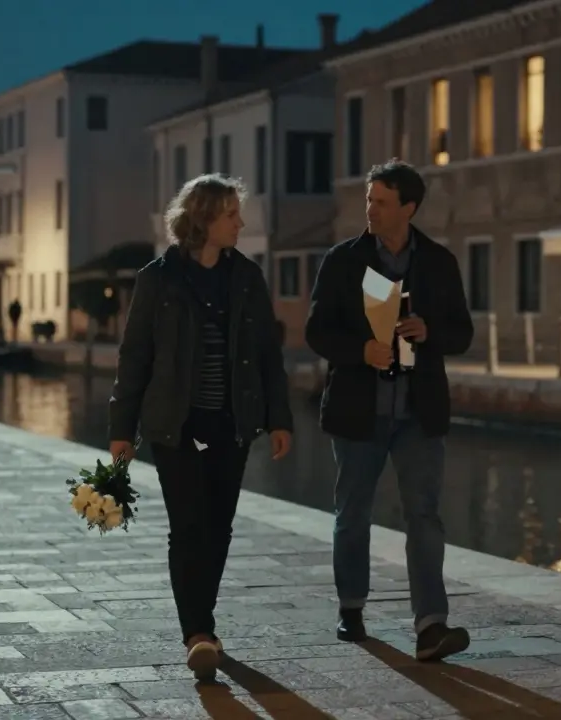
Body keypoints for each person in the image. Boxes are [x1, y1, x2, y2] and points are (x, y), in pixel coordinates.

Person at [108, 174, 293, 681]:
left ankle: (203, 627)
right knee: (188, 527)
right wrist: (122, 429)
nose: (241, 222)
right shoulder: (158, 279)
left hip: (232, 422)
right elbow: (135, 357)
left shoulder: (247, 278)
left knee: (219, 528)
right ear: (204, 218)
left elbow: (266, 355)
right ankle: (198, 631)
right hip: (176, 424)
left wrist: (279, 418)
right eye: (231, 214)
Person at [305, 160, 474, 662]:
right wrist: (360, 350)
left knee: (424, 516)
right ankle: (351, 608)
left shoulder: (440, 262)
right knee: (352, 514)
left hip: (418, 414)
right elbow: (316, 331)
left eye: (381, 202)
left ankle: (431, 625)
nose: (371, 210)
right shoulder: (342, 260)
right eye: (369, 201)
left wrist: (429, 332)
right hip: (360, 412)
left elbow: (462, 333)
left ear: (408, 207)